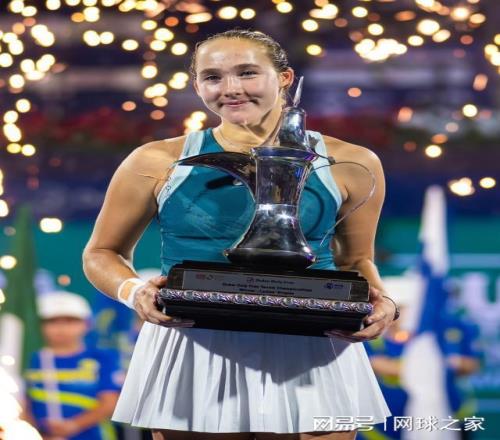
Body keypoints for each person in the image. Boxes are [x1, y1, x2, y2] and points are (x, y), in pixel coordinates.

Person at [83, 29, 397, 440]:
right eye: (213, 77)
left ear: (284, 78)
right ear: (197, 86)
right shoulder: (155, 160)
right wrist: (134, 291)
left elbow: (356, 260)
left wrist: (384, 302)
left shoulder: (352, 161)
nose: (230, 88)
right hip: (193, 342)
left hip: (312, 342)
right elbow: (101, 253)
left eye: (247, 73)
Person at [24, 291, 122, 440]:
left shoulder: (103, 358)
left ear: (87, 324)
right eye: (52, 321)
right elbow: (21, 403)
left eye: (71, 321)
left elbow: (110, 402)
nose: (61, 328)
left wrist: (73, 425)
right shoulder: (29, 359)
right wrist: (37, 433)